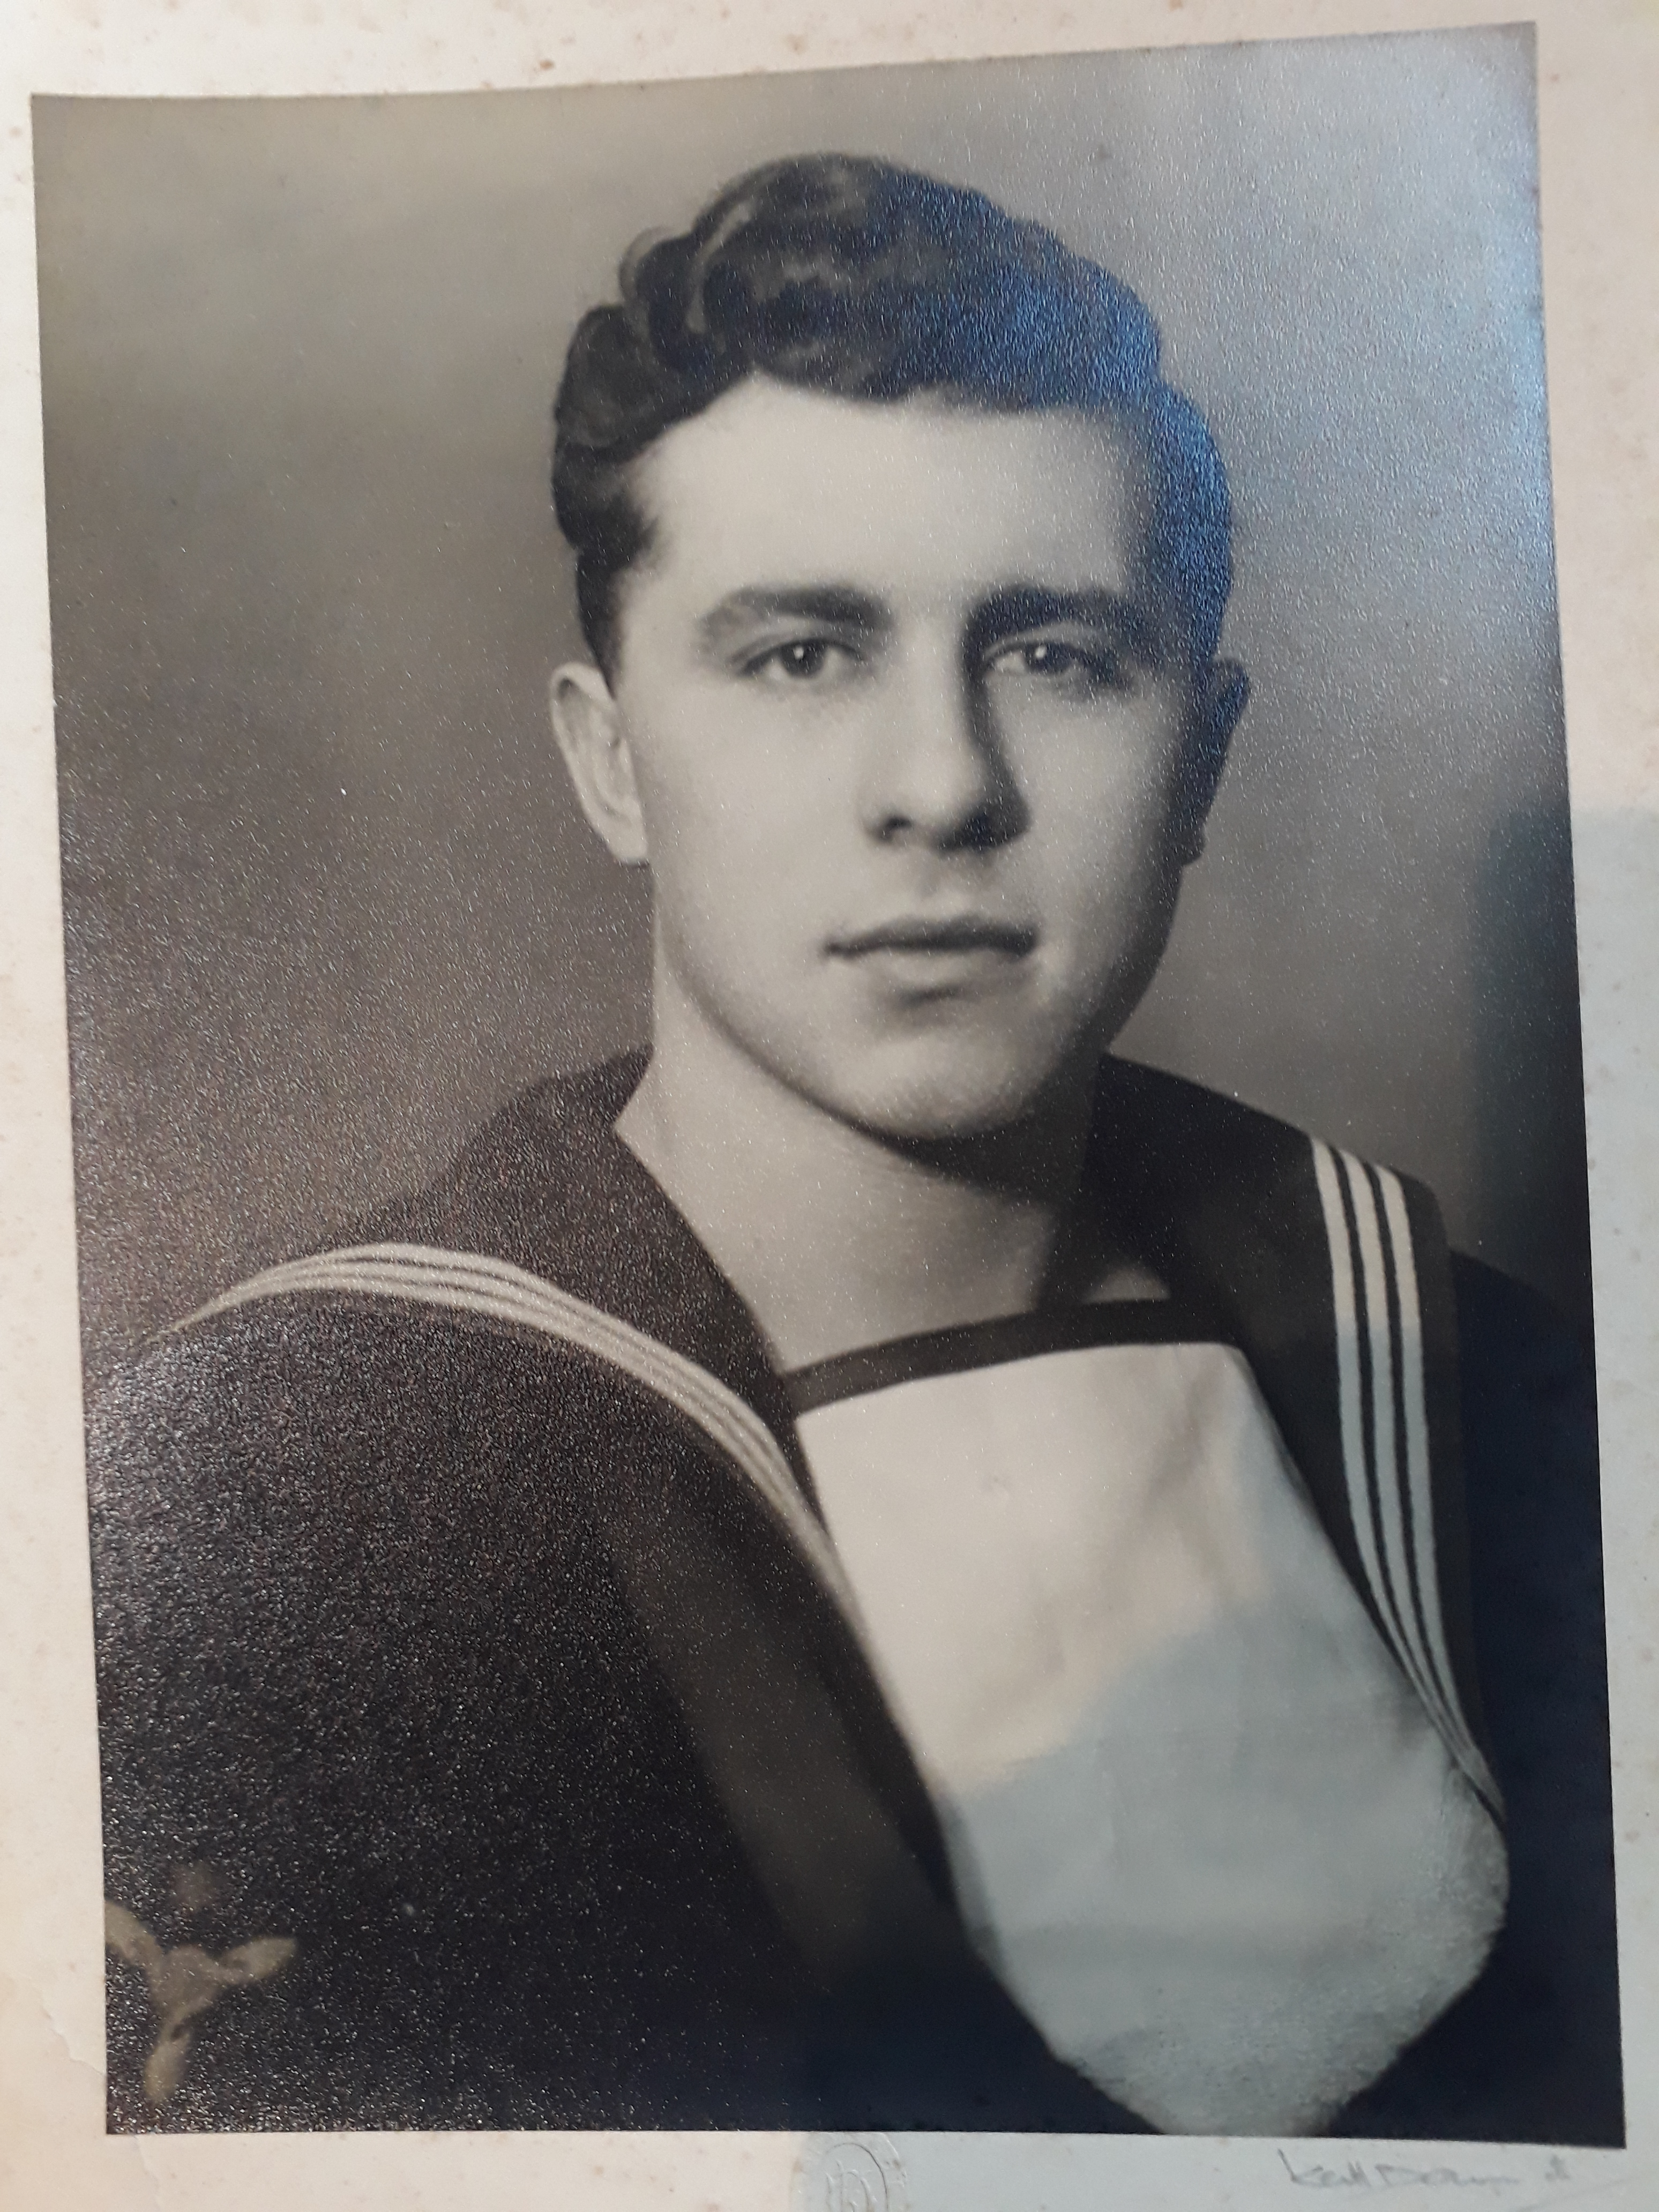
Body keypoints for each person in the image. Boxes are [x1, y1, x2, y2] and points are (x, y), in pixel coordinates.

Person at [91, 153, 1619, 2141]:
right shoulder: (268, 1506)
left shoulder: (1499, 1402)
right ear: (610, 761)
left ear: (1203, 759)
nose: (941, 787)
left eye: (1055, 655)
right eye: (803, 654)